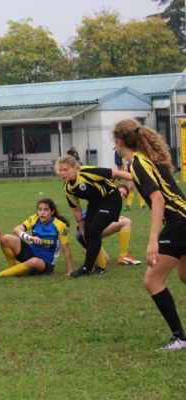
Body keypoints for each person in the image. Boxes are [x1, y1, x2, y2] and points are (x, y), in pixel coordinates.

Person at [113, 119, 186, 350]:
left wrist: (153, 239)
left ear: (119, 141)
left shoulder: (139, 163)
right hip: (183, 218)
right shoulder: (146, 160)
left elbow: (158, 199)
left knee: (152, 280)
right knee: (184, 276)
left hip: (178, 222)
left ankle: (179, 338)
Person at [55, 155, 132, 277]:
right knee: (87, 233)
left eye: (66, 169)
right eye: (61, 170)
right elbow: (76, 209)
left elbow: (116, 173)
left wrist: (140, 180)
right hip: (95, 204)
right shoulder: (68, 188)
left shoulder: (87, 172)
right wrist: (82, 227)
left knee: (95, 229)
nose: (63, 173)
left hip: (111, 199)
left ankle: (87, 268)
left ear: (75, 168)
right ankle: (100, 267)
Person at [0, 198, 74, 277]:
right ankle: (12, 270)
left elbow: (66, 250)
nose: (42, 212)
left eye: (45, 210)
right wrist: (29, 237)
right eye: (40, 209)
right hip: (31, 253)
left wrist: (70, 271)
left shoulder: (60, 226)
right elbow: (16, 230)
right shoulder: (34, 218)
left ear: (52, 211)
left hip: (46, 262)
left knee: (34, 262)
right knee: (5, 239)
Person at [76, 184, 141, 270]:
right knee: (127, 222)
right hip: (83, 232)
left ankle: (88, 250)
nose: (121, 195)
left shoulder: (113, 204)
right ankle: (123, 256)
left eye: (124, 195)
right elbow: (88, 215)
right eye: (120, 192)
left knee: (105, 260)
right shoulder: (104, 199)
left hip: (87, 234)